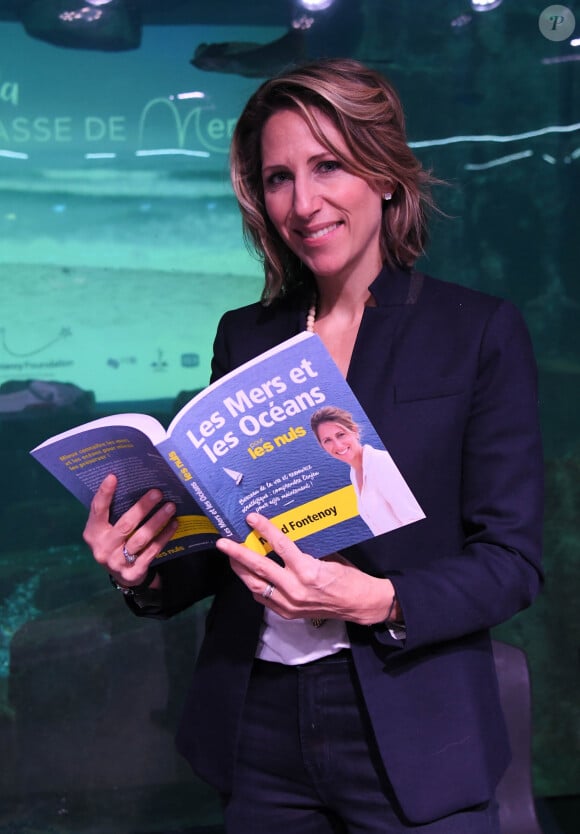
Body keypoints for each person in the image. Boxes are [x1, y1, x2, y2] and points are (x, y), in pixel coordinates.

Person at [83, 58, 543, 833]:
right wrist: (146, 569)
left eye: (327, 165)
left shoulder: (475, 331)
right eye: (277, 178)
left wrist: (380, 600)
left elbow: (514, 561)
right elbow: (225, 536)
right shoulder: (246, 334)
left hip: (415, 722)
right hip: (255, 722)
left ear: (386, 174)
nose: (303, 203)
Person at [310, 405, 425, 535]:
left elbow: (414, 517)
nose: (338, 445)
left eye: (341, 435)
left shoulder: (382, 463)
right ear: (322, 446)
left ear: (355, 431)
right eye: (327, 440)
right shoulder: (354, 473)